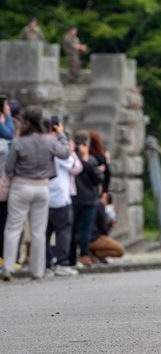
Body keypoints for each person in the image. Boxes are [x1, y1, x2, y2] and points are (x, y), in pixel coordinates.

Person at [3, 106, 70, 280]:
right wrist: (61, 134)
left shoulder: (19, 142)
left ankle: (9, 267)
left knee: (13, 228)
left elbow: (9, 167)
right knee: (38, 231)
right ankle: (37, 270)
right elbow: (65, 153)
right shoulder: (49, 140)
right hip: (42, 187)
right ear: (41, 121)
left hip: (20, 186)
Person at [47, 119, 80, 276]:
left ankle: (45, 263)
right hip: (59, 196)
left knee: (43, 232)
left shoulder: (40, 143)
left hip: (42, 195)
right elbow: (70, 162)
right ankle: (62, 262)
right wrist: (62, 137)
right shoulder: (58, 147)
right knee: (63, 231)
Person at [71, 133, 103, 266]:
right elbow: (98, 179)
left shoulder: (71, 159)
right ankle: (83, 254)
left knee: (72, 228)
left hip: (74, 198)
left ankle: (71, 257)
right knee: (85, 229)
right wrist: (88, 162)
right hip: (88, 199)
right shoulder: (90, 160)